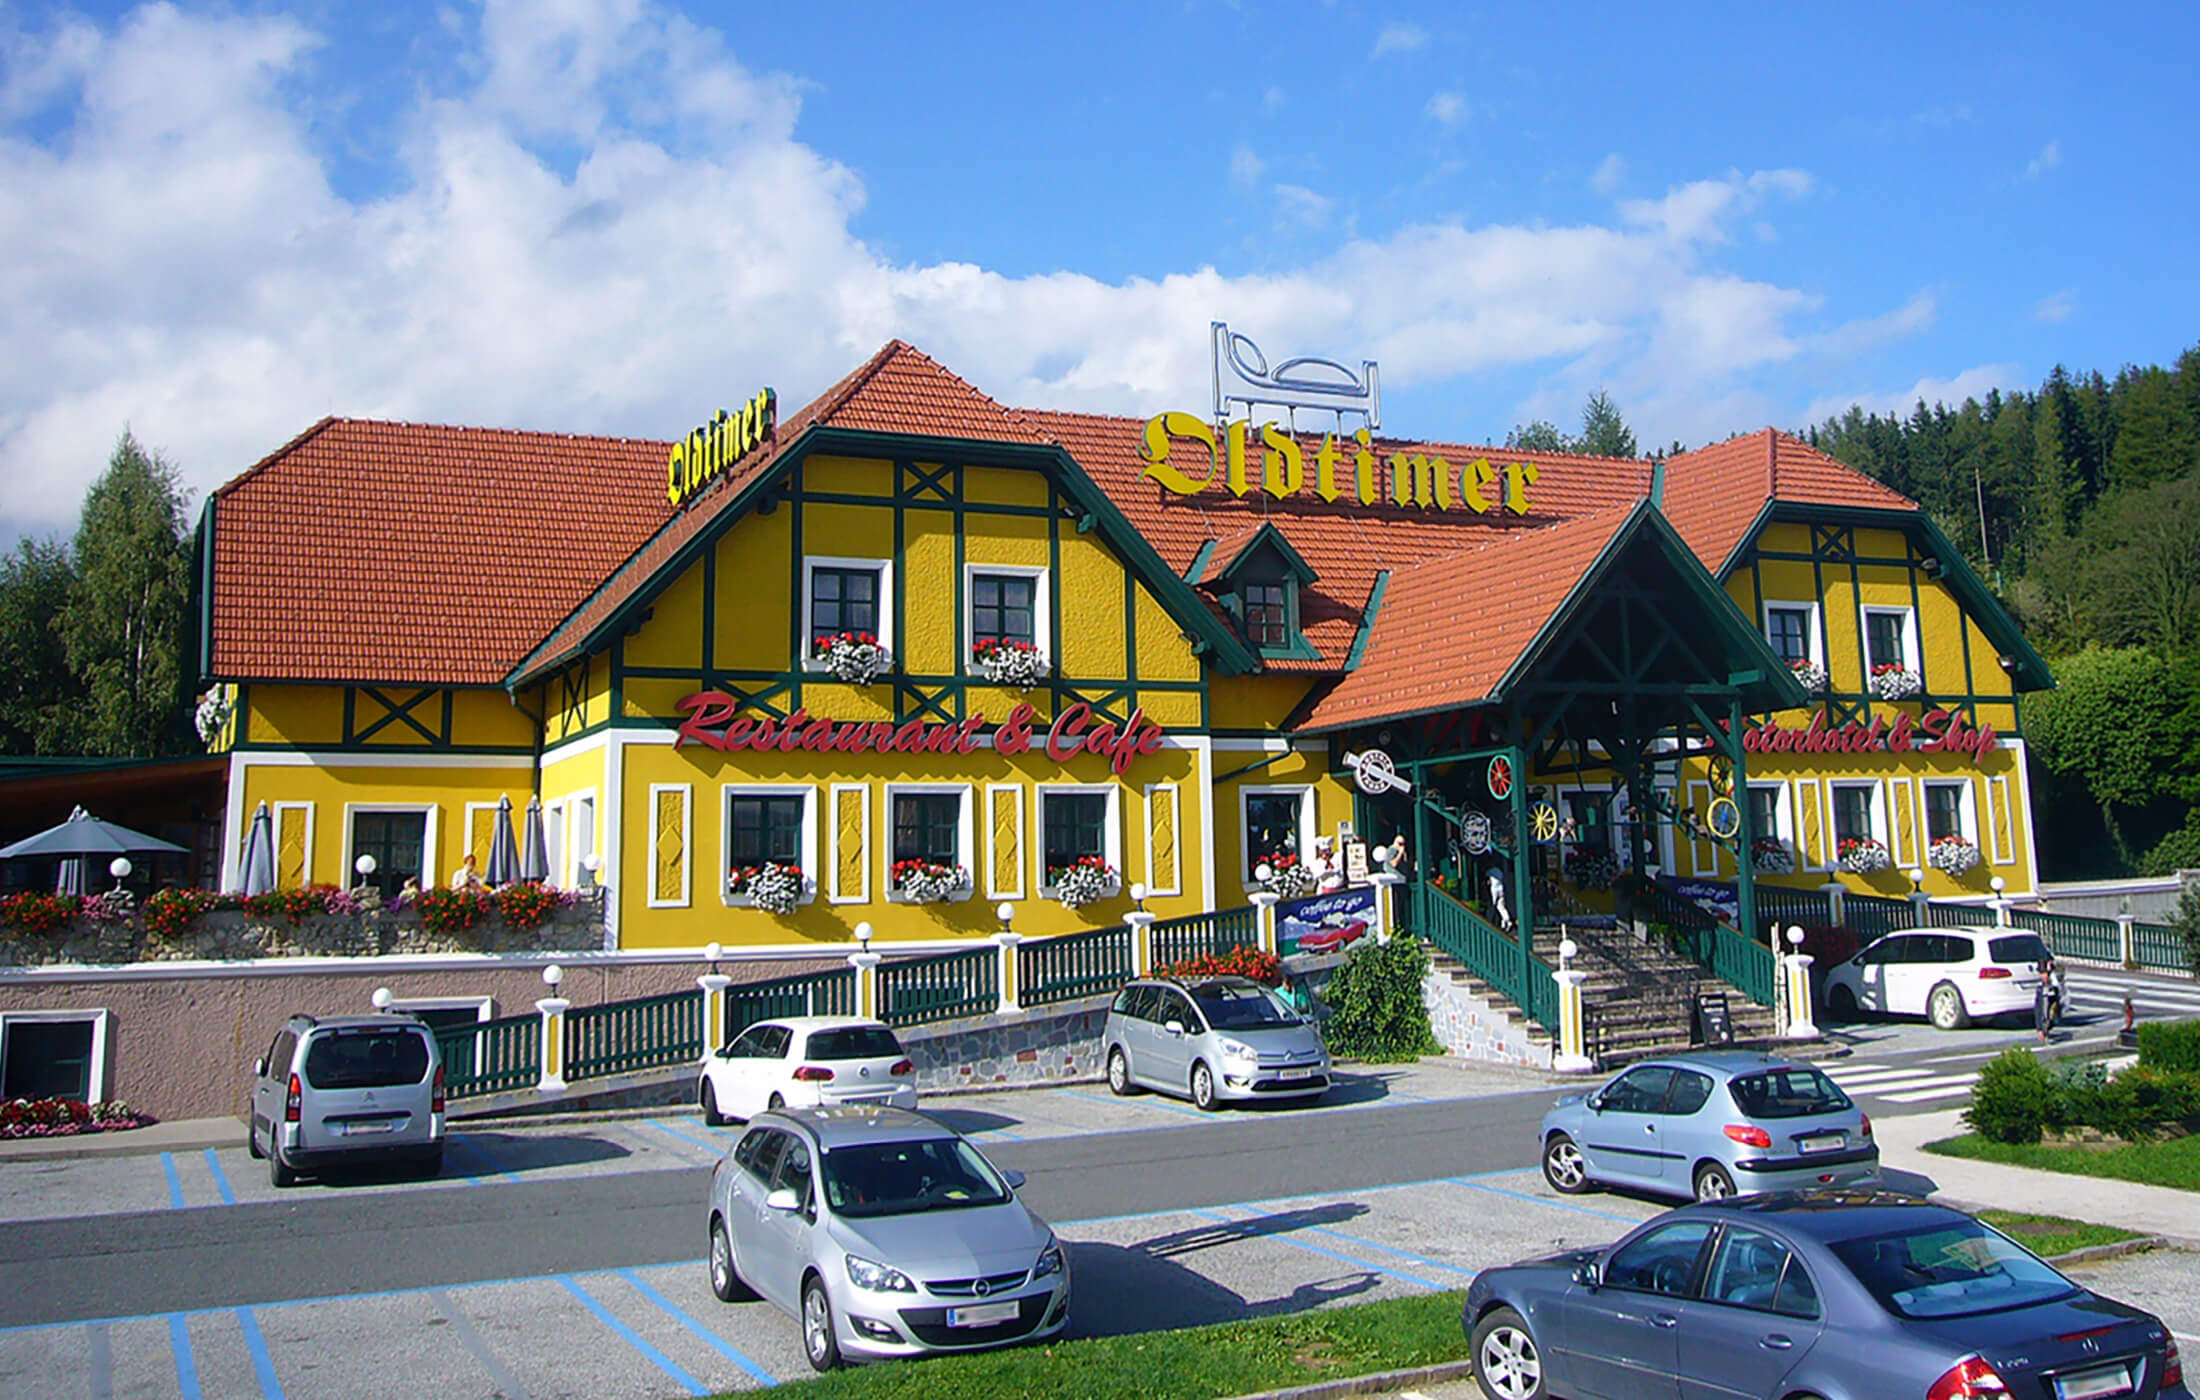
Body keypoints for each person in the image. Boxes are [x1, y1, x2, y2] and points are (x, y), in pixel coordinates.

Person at [2034, 956, 2054, 1044]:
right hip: (2045, 989)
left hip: (2051, 988)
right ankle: (2042, 1030)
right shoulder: (2040, 988)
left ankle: (2044, 1030)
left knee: (2049, 1010)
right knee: (2042, 1008)